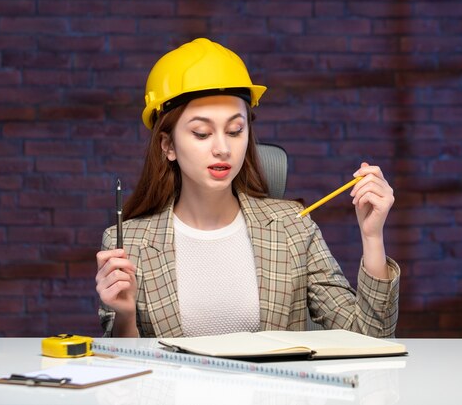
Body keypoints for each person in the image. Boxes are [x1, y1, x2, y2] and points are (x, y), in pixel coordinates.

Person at [95, 38, 399, 338]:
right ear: (168, 145)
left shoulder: (293, 227)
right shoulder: (128, 242)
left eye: (235, 130)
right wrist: (125, 315)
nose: (223, 148)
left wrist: (372, 237)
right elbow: (124, 371)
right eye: (201, 133)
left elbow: (369, 335)